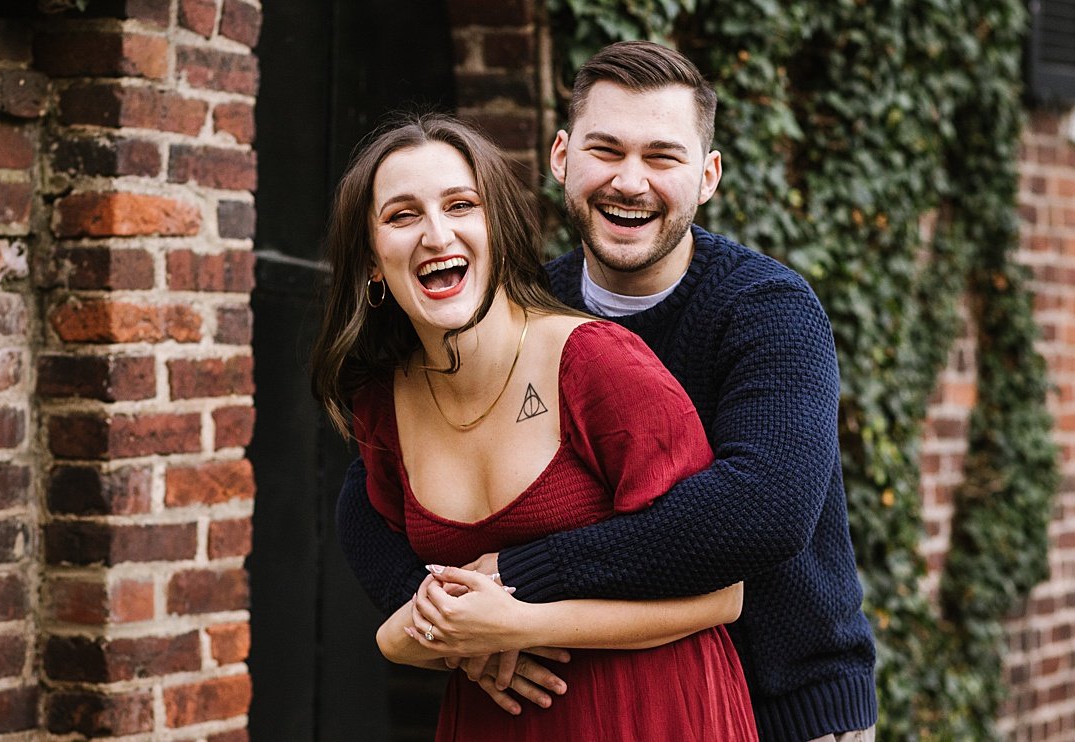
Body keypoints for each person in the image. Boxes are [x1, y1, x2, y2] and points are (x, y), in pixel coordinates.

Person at [336, 46, 879, 742]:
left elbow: (763, 510)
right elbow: (376, 485)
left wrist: (515, 582)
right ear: (562, 158)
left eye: (662, 157)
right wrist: (448, 619)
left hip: (786, 702)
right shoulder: (527, 309)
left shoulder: (765, 308)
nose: (630, 181)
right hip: (585, 686)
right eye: (606, 150)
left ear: (707, 177)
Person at [314, 113, 759, 741]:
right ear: (370, 263)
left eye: (461, 205)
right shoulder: (381, 403)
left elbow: (723, 594)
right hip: (491, 722)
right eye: (401, 215)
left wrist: (520, 626)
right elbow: (404, 617)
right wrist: (440, 637)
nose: (436, 234)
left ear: (498, 229)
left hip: (647, 714)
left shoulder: (597, 362)